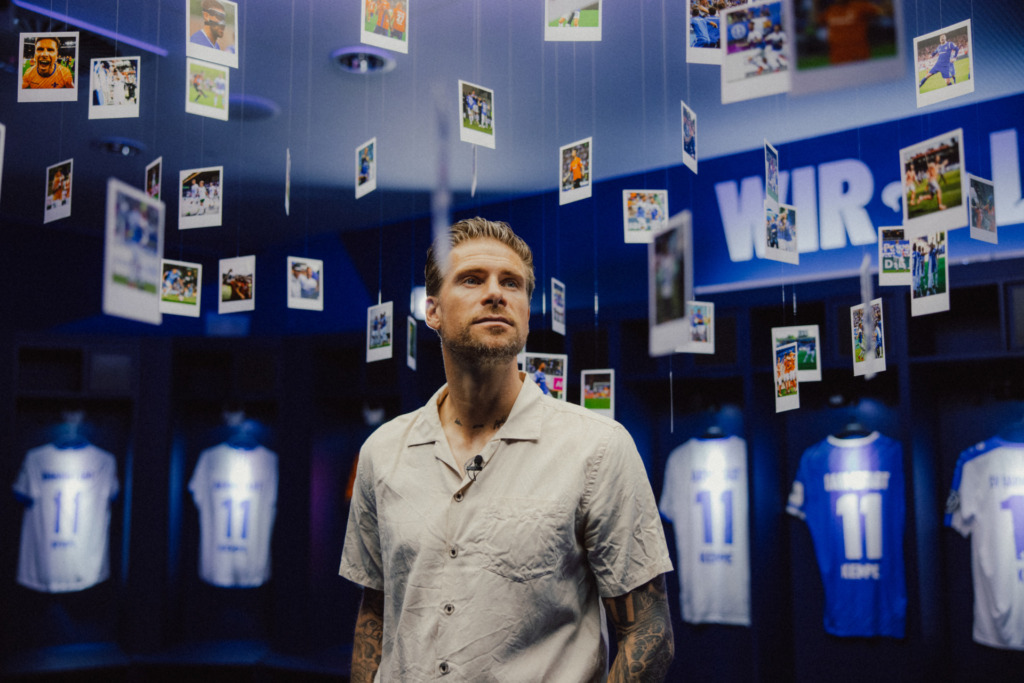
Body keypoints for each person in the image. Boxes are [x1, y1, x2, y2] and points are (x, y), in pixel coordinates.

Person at [339, 217, 674, 682]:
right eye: (472, 279)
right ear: (432, 311)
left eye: (511, 283)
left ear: (527, 312)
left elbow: (649, 632)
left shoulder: (596, 448)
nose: (495, 293)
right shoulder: (383, 451)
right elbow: (375, 610)